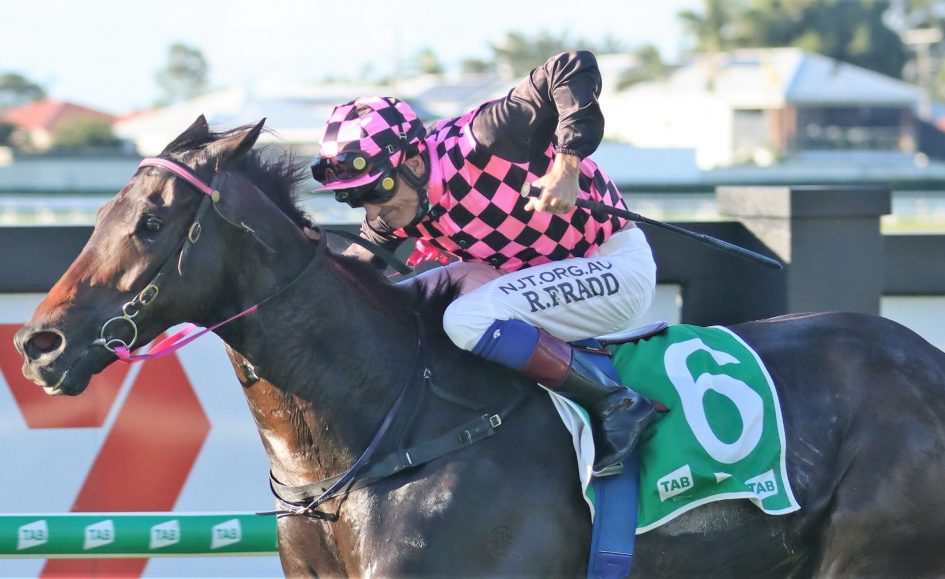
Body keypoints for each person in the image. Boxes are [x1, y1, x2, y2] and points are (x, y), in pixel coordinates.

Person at [311, 51, 658, 476]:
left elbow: (571, 66)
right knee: (396, 306)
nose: (373, 211)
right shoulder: (403, 202)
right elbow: (352, 280)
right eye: (356, 198)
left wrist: (567, 168)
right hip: (525, 280)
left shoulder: (486, 135)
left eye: (377, 191)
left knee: (465, 318)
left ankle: (614, 401)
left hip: (613, 267)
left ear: (414, 163)